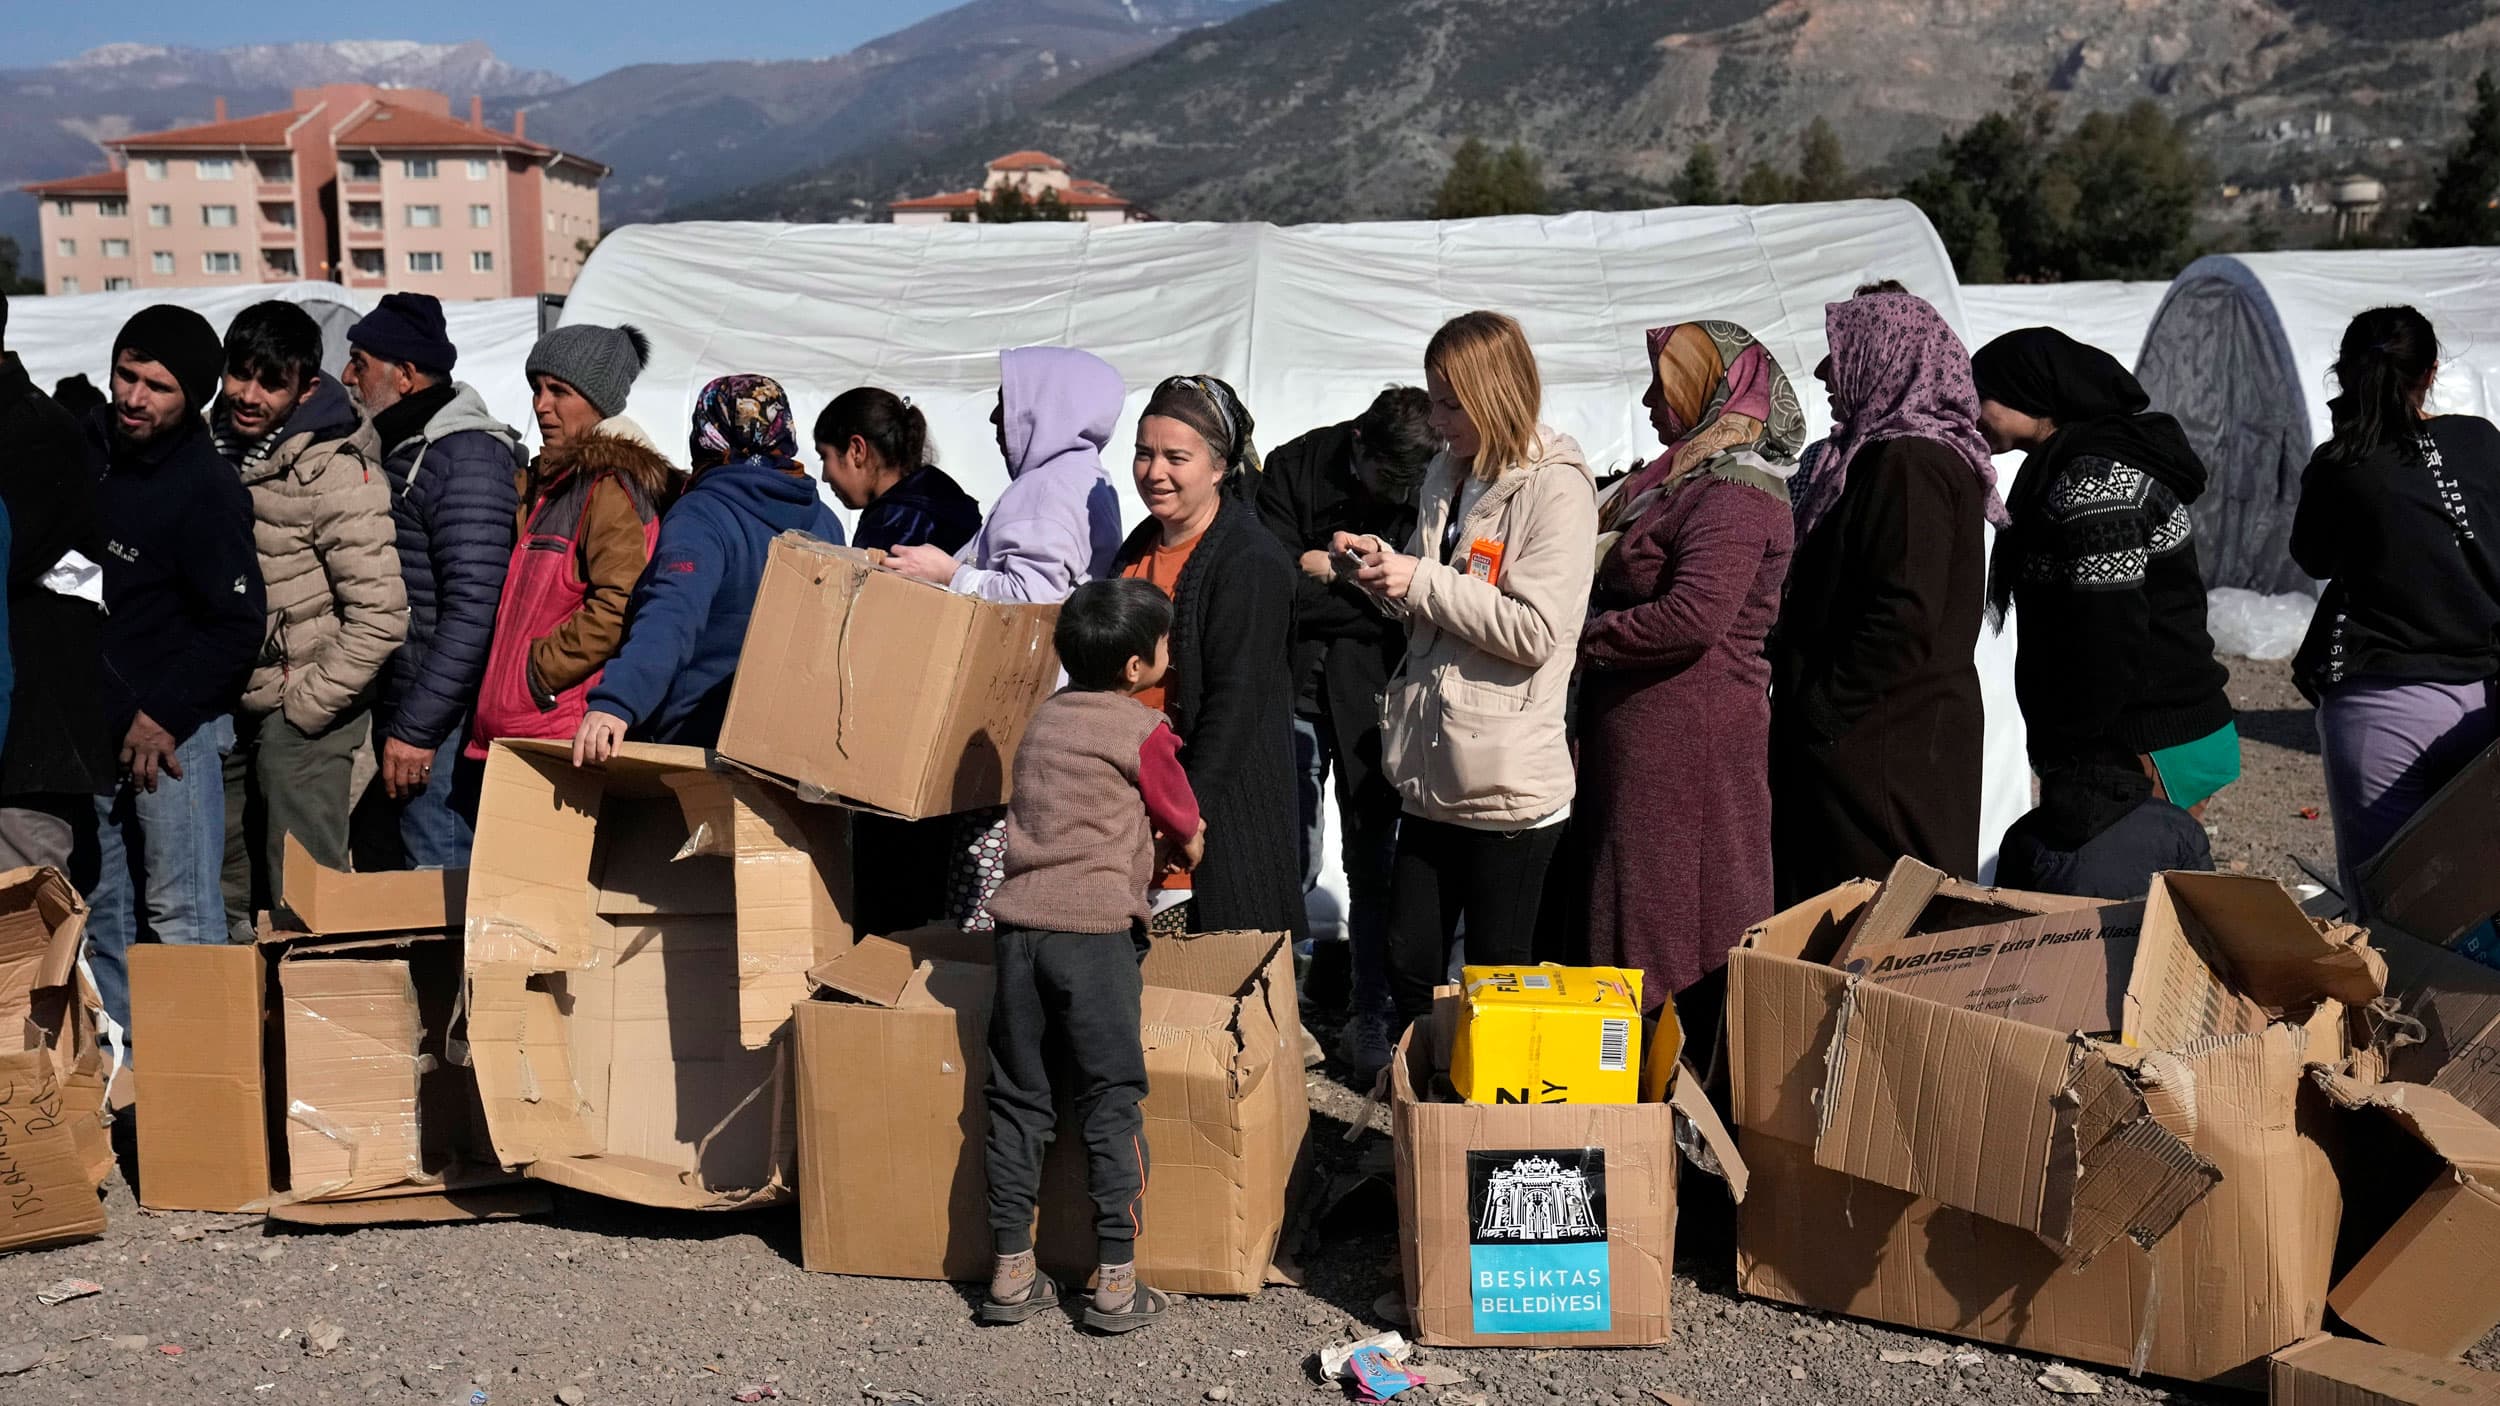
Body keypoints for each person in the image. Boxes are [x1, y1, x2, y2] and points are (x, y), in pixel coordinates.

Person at [1342, 311, 1597, 1034]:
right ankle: (1428, 1114)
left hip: (1508, 782)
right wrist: (1378, 575)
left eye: (1451, 402)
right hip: (1432, 769)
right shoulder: (1443, 474)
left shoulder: (1557, 489)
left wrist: (1418, 580)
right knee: (1411, 960)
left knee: (1499, 982)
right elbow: (1441, 616)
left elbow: (1535, 630)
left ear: (1496, 393)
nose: (1437, 418)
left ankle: (1489, 1130)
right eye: (1433, 399)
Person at [979, 577, 1202, 1335]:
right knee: (1110, 1105)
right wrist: (1184, 843)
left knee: (1017, 1101)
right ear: (1138, 667)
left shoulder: (1043, 721)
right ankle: (1114, 1282)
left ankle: (1011, 1271)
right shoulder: (1143, 728)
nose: (1171, 652)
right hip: (1096, 939)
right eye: (1165, 642)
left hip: (1017, 937)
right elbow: (1186, 821)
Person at [1579, 322, 1798, 1057]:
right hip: (1650, 742)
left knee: (1679, 926)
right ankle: (1641, 1102)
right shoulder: (1682, 479)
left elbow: (1692, 619)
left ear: (1714, 388)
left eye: (1665, 384)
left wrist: (1577, 635)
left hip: (1690, 745)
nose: (1649, 398)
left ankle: (1688, 1113)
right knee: (1637, 914)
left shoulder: (1738, 495)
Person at [1971, 327, 2237, 900]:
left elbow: (2108, 637)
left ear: (2030, 396)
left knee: (2122, 921)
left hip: (2142, 743)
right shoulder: (2070, 468)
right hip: (2145, 734)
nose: (1971, 409)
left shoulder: (2092, 482)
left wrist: (2081, 754)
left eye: (1982, 395)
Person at [883, 347, 1126, 930]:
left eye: (1008, 406)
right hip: (1059, 717)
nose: (997, 422)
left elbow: (1032, 600)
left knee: (988, 904)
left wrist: (951, 574)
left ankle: (983, 1007)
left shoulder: (1043, 490)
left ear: (1049, 409)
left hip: (1016, 721)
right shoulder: (1091, 482)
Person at [1771, 287, 1999, 904]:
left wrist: (1822, 710)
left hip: (1882, 753)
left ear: (1887, 357)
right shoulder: (1885, 456)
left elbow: (1904, 613)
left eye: (1842, 352)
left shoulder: (1911, 462)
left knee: (1877, 930)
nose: (1824, 371)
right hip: (1879, 739)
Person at [85, 305, 265, 1033]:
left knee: (183, 914)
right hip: (96, 727)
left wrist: (164, 714)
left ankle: (209, 1092)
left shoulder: (206, 489)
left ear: (191, 397)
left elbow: (237, 623)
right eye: (127, 375)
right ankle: (132, 1092)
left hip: (174, 734)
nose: (134, 397)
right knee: (105, 911)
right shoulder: (93, 453)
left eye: (157, 386)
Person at [2290, 306, 2500, 913]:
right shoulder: (2480, 440)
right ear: (2430, 371)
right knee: (2482, 894)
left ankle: (2393, 1008)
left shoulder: (2341, 463)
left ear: (2345, 373)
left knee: (2392, 906)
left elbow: (2314, 557)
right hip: (2484, 696)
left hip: (2382, 702)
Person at [1254, 386, 1434, 1077]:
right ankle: (1275, 1014)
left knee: (1375, 861)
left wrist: (1332, 572)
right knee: (1286, 854)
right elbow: (1273, 590)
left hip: (1378, 695)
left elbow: (1421, 600)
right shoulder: (1294, 467)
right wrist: (1377, 591)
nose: (1396, 493)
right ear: (1359, 442)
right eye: (1387, 478)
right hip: (1294, 687)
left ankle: (1372, 1011)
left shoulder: (1428, 484)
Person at [212, 301, 407, 936]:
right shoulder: (217, 451)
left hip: (306, 707)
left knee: (305, 898)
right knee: (229, 891)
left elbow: (380, 614)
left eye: (271, 381)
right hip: (234, 702)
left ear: (306, 386)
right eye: (240, 374)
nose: (248, 394)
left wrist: (307, 705)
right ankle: (240, 1028)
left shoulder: (337, 470)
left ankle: (329, 1027)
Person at [1109, 374, 1304, 941]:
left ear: (1219, 467)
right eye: (1143, 454)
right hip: (1137, 804)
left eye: (1176, 457)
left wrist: (1183, 814)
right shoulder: (1141, 542)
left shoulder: (1250, 561)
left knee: (1197, 998)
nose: (1154, 472)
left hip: (1207, 814)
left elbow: (1233, 707)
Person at [341, 293, 523, 869]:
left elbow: (475, 608)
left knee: (440, 882)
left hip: (443, 719)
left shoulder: (463, 457)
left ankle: (456, 968)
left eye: (361, 362)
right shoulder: (402, 446)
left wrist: (418, 729)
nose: (348, 376)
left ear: (406, 376)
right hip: (415, 706)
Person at [573, 375, 843, 761]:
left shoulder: (702, 515)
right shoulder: (825, 522)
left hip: (692, 751)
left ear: (708, 433)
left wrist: (616, 702)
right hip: (787, 752)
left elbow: (671, 613)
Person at [467, 324, 671, 759]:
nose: (542, 405)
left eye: (559, 390)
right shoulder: (550, 483)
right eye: (536, 388)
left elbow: (620, 603)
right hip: (517, 725)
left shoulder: (610, 487)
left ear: (597, 402)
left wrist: (535, 672)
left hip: (556, 731)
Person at [0, 290, 112, 877]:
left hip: (29, 740)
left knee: (29, 939)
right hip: (22, 730)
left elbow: (15, 560)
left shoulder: (37, 433)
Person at [816, 388, 982, 554]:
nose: (825, 476)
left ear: (857, 451)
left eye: (824, 456)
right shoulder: (946, 502)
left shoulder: (891, 527)